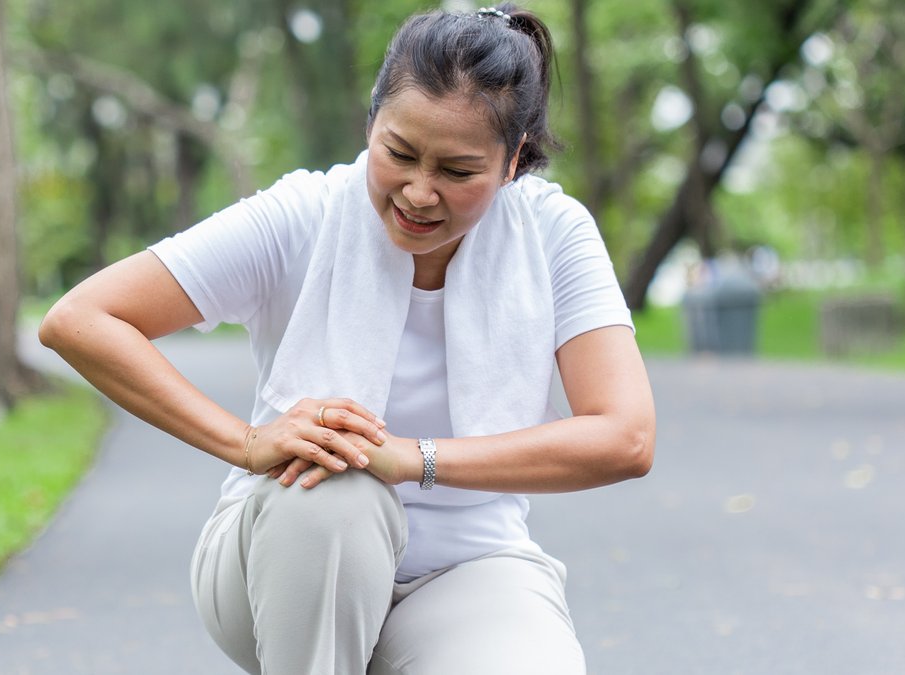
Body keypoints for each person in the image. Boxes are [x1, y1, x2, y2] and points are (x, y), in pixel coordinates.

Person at [39, 4, 656, 673]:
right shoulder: (303, 214)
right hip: (284, 559)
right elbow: (81, 319)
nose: (419, 192)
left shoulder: (553, 234)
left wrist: (410, 457)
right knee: (338, 485)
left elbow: (624, 434)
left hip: (470, 566)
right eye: (399, 154)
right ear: (370, 126)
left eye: (457, 171)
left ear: (513, 162)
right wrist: (247, 444)